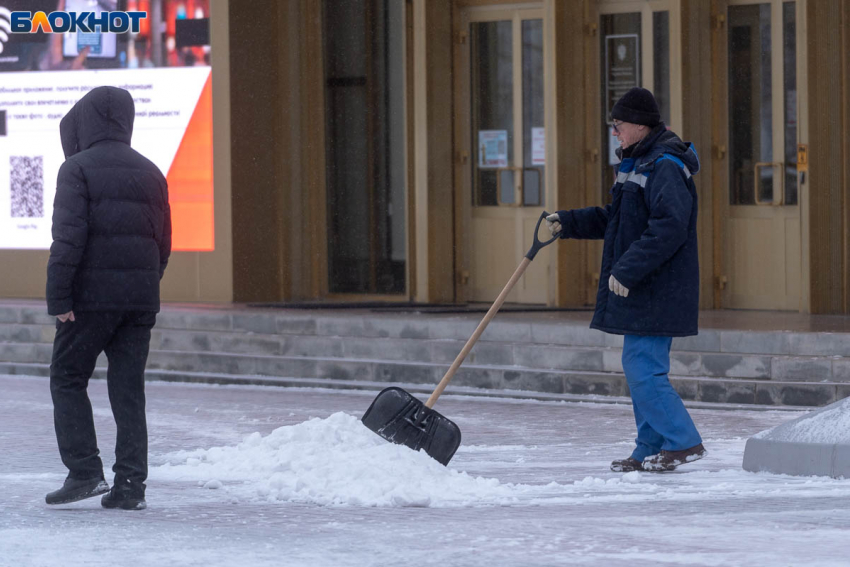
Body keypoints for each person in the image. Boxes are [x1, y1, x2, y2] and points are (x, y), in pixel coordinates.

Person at [547, 87, 706, 472]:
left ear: (638, 125)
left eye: (618, 125)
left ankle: (683, 441)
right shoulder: (637, 162)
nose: (614, 132)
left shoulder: (664, 164)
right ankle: (649, 447)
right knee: (640, 370)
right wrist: (569, 222)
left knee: (642, 369)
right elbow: (616, 218)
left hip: (659, 286)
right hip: (645, 286)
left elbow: (669, 227)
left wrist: (628, 268)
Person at [45, 86, 171, 509]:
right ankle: (130, 487)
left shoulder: (76, 168)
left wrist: (59, 297)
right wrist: (145, 285)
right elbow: (163, 242)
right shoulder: (152, 170)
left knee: (67, 377)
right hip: (139, 301)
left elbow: (67, 239)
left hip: (89, 300)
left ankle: (84, 472)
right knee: (128, 390)